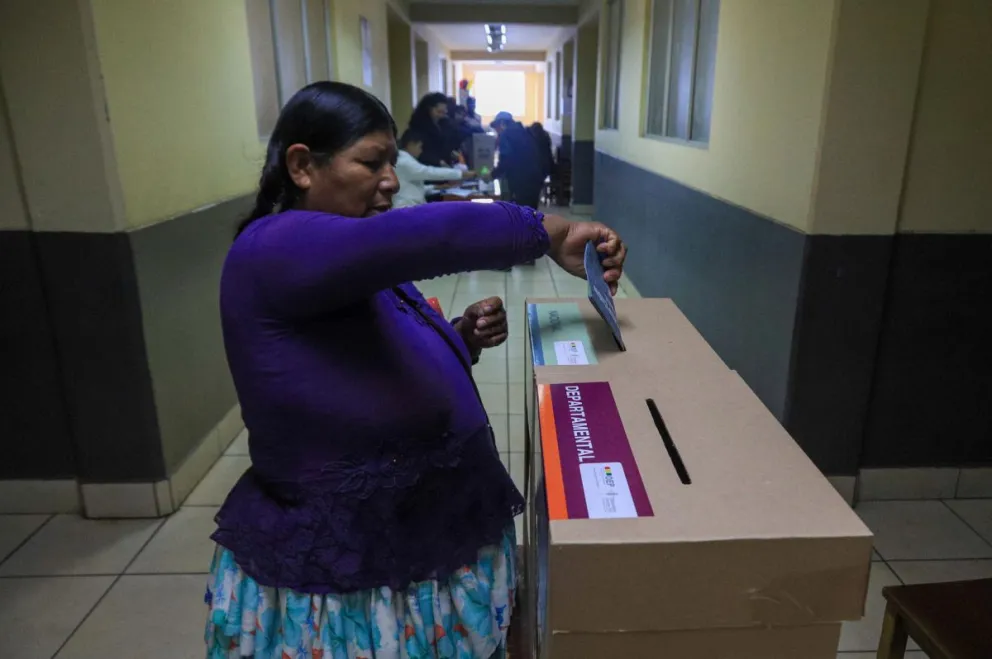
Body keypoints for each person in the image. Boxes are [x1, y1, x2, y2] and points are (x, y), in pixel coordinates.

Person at [204, 80, 627, 659]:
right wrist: (550, 232)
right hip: (357, 564)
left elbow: (362, 354)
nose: (391, 179)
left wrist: (457, 342)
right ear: (302, 165)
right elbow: (430, 234)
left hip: (424, 527)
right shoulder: (272, 247)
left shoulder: (341, 257)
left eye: (390, 159)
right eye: (370, 162)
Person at [395, 129, 475, 208]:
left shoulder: (404, 160)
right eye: (420, 147)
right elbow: (429, 172)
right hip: (406, 207)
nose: (421, 151)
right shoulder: (404, 162)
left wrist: (435, 187)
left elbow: (413, 187)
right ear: (411, 144)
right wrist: (461, 173)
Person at [489, 111, 545, 210]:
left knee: (519, 213)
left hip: (521, 180)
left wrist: (492, 174)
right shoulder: (526, 131)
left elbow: (506, 160)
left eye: (496, 127)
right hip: (536, 178)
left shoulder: (506, 134)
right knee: (531, 212)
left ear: (502, 123)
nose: (496, 131)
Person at [407, 92, 455, 166]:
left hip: (444, 166)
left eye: (444, 112)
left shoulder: (445, 123)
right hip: (427, 167)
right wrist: (437, 161)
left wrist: (451, 152)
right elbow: (418, 151)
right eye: (439, 112)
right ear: (429, 109)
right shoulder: (418, 126)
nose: (441, 115)